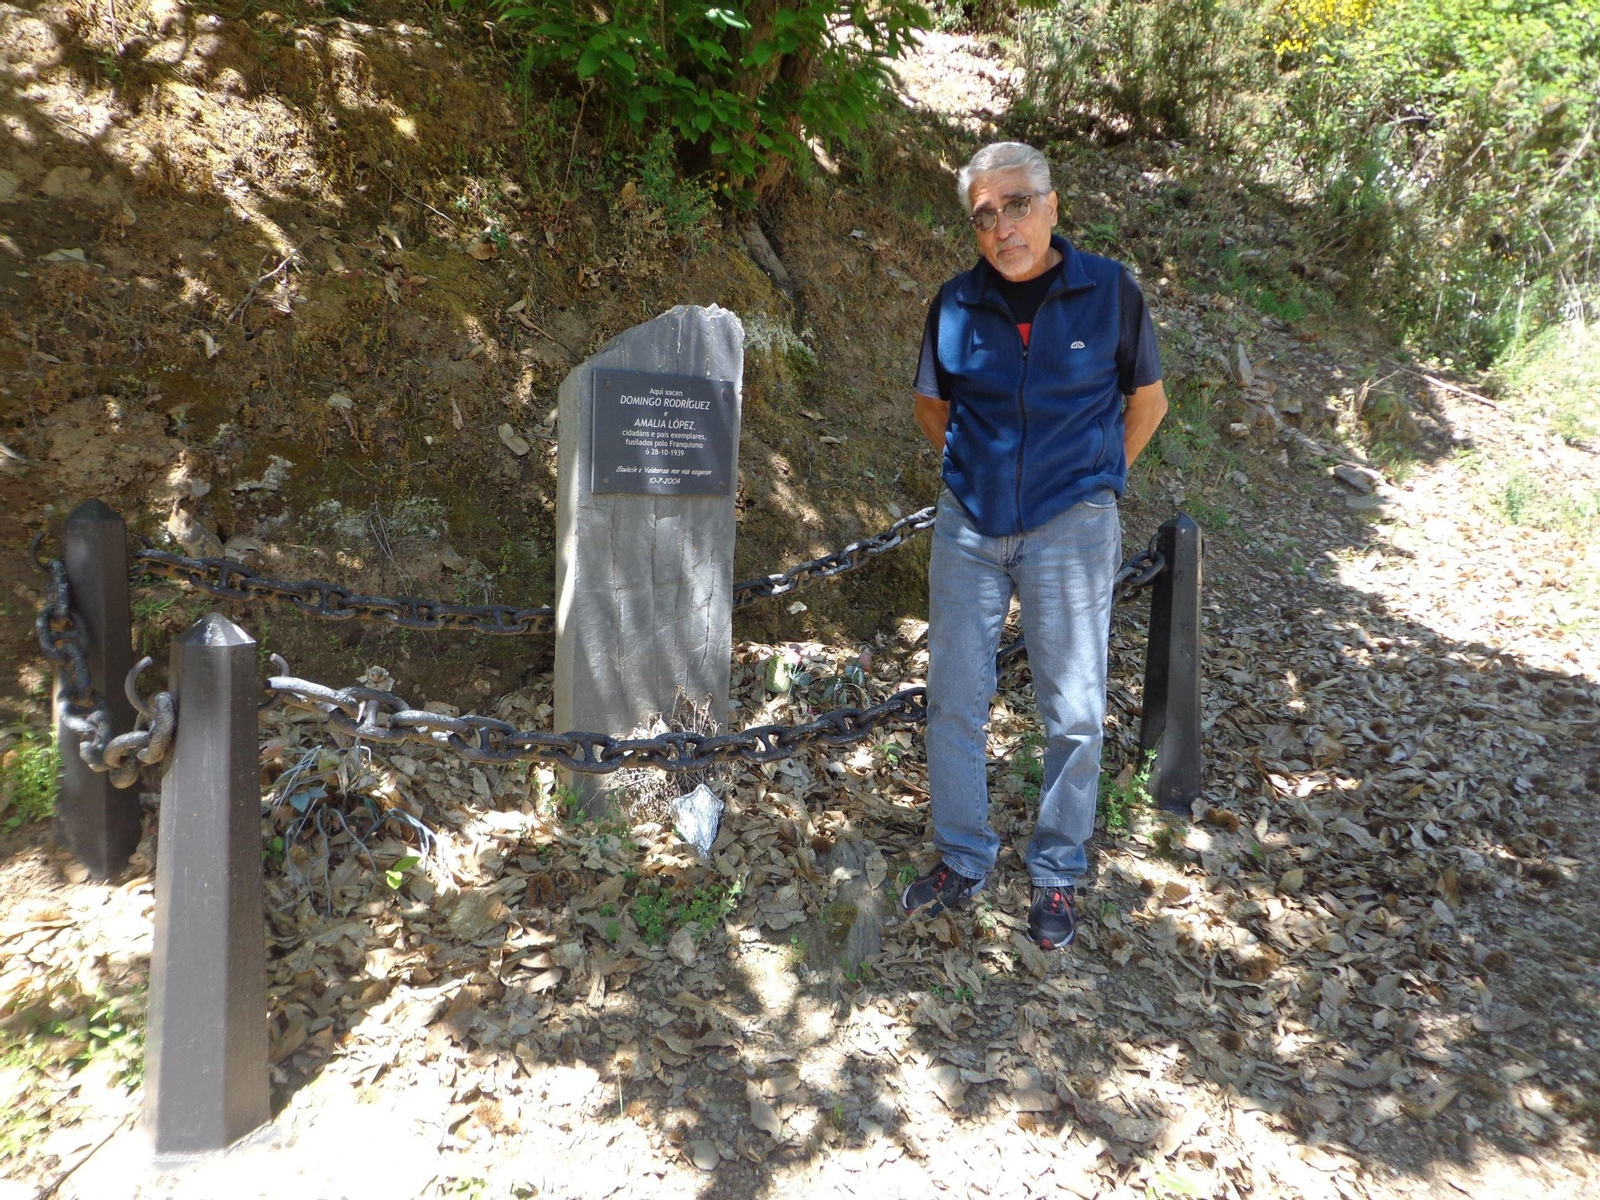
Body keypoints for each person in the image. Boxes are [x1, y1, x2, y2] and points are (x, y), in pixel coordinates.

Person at [902, 141, 1168, 950]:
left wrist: (1095, 482)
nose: (1001, 226)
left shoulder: (1111, 293)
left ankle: (1057, 874)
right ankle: (961, 857)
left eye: (1016, 204)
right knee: (954, 696)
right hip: (971, 526)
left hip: (1070, 528)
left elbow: (1147, 404)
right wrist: (973, 474)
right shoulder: (954, 303)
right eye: (984, 214)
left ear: (1051, 206)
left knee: (1075, 710)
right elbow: (930, 407)